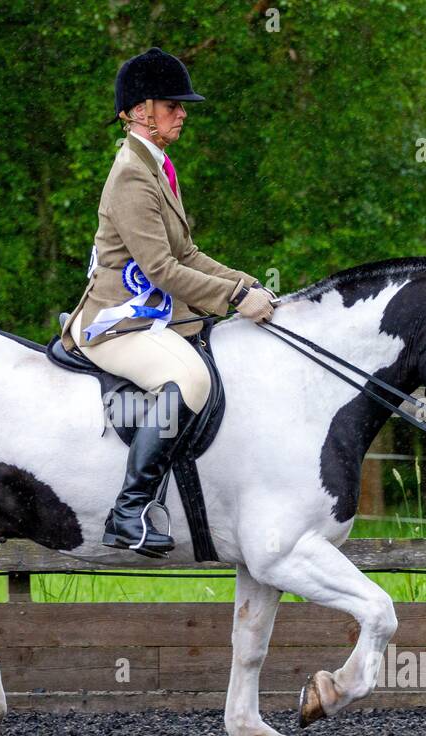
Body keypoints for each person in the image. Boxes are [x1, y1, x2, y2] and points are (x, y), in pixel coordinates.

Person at [59, 47, 276, 558]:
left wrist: (250, 287)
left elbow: (188, 254)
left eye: (182, 105)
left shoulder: (156, 166)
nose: (182, 112)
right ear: (139, 111)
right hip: (118, 324)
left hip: (153, 317)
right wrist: (234, 297)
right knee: (190, 379)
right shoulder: (132, 174)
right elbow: (161, 269)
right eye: (171, 104)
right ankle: (129, 510)